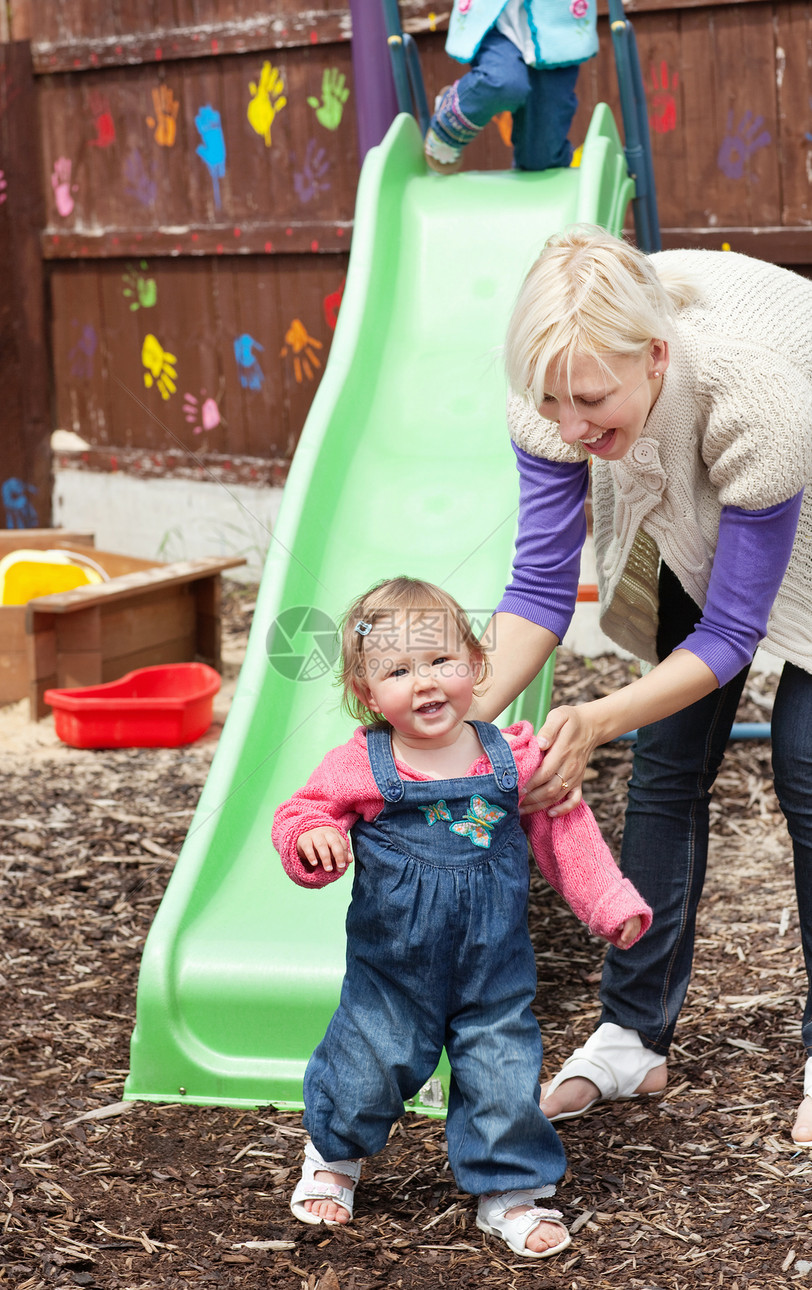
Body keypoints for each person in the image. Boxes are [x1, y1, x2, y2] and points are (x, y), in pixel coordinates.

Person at [472, 223, 812, 1142]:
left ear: (655, 358)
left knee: (807, 769)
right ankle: (633, 1031)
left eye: (588, 400)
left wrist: (591, 719)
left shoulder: (756, 397)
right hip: (705, 507)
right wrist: (456, 716)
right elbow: (540, 591)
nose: (570, 427)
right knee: (668, 762)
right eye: (551, 400)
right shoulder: (554, 400)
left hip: (797, 478)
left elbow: (734, 634)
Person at [272, 576, 652, 1257]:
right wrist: (312, 842)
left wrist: (611, 903)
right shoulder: (362, 762)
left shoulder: (513, 757)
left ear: (476, 664)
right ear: (367, 694)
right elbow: (303, 812)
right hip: (392, 970)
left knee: (502, 1072)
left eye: (441, 661)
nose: (424, 683)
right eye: (397, 670)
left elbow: (568, 833)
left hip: (492, 968)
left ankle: (508, 1194)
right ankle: (335, 1157)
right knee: (367, 1064)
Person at [424, 0, 598, 175]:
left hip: (556, 28)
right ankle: (450, 120)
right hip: (497, 20)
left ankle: (543, 179)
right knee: (502, 80)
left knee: (540, 159)